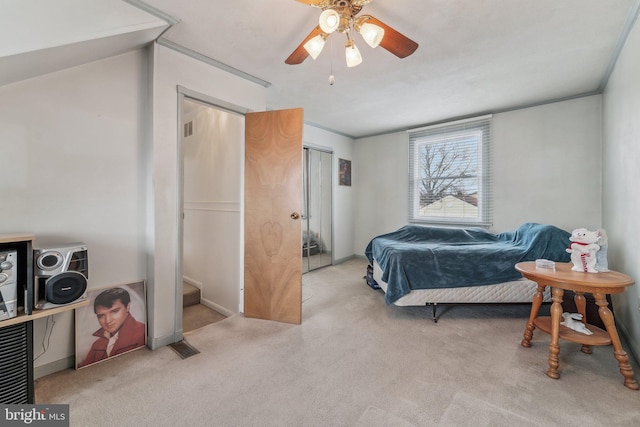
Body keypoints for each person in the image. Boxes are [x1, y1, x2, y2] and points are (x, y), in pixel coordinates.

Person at [80, 287, 146, 367]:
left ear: (127, 307)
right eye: (101, 316)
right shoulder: (97, 344)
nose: (108, 321)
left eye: (114, 311)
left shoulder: (142, 333)